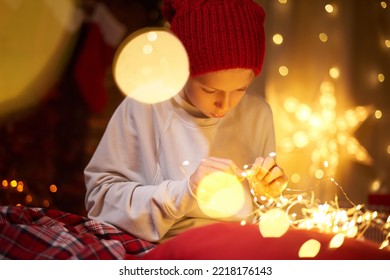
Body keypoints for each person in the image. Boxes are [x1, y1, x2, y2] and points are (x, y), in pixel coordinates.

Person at [84, 0, 288, 243]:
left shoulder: (258, 113)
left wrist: (266, 196)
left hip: (240, 247)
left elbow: (263, 220)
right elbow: (100, 201)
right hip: (166, 248)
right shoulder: (145, 106)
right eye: (210, 91)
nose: (225, 105)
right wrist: (186, 191)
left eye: (241, 89)